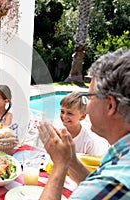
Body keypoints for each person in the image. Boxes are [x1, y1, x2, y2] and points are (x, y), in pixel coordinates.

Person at [38, 48, 130, 199]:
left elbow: (100, 188)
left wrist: (60, 165)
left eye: (89, 97)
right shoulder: (121, 158)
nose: (86, 106)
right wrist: (71, 160)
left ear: (110, 105)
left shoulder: (115, 182)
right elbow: (96, 185)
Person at [59, 91, 109, 156]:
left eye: (70, 113)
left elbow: (95, 164)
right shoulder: (57, 131)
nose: (64, 116)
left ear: (82, 117)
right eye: (62, 111)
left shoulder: (89, 141)